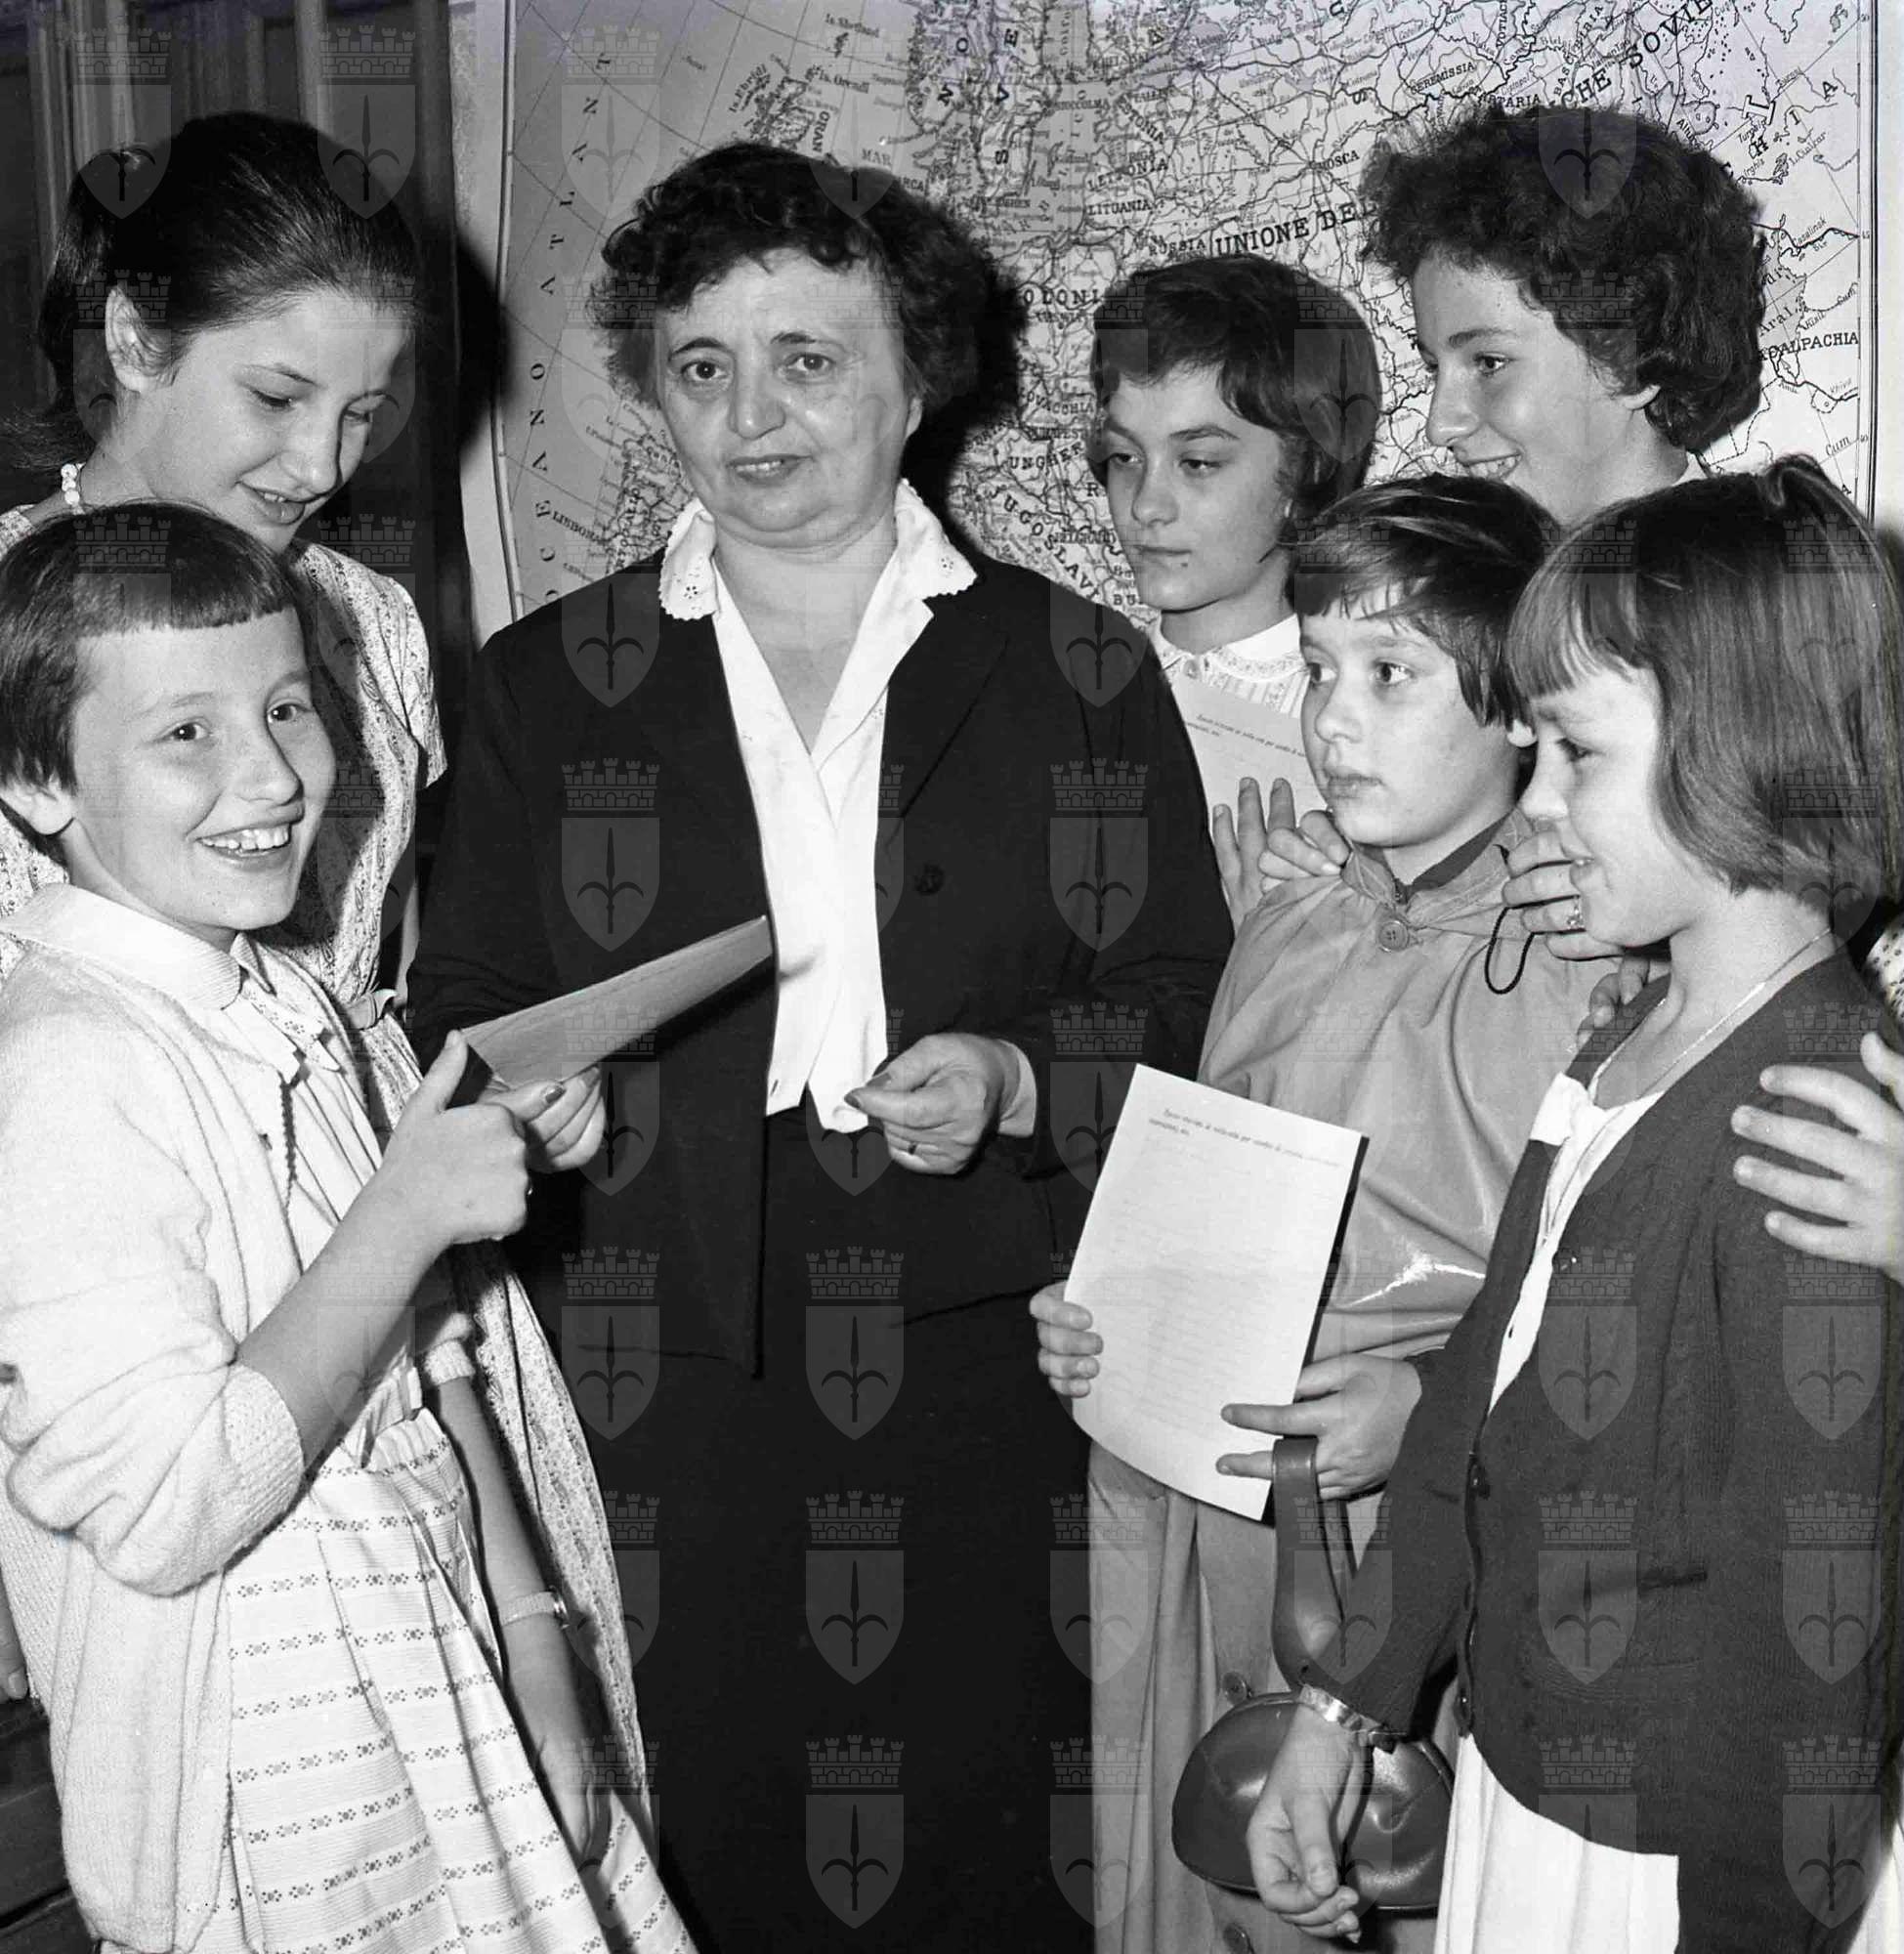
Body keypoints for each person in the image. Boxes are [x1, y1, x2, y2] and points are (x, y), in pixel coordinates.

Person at [404, 142, 1233, 1949]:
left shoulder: (1075, 668)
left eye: (808, 360)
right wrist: (523, 1091)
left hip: (988, 1338)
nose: (751, 416)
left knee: (986, 1841)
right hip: (648, 1341)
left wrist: (1020, 1079)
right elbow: (456, 995)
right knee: (709, 1831)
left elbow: (1184, 992)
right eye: (702, 366)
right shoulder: (546, 683)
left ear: (913, 380)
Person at [0, 112, 641, 1865]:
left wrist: (489, 1093)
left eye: (365, 411)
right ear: (135, 336)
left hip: (411, 1334)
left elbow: (365, 1005)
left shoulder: (366, 624)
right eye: (278, 396)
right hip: (114, 1390)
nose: (321, 461)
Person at [0, 507, 694, 1953]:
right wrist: (403, 1212)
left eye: (287, 707)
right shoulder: (62, 1064)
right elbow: (169, 1508)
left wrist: (532, 1627)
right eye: (185, 733)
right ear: (34, 779)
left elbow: (427, 1362)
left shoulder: (279, 994)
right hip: (269, 1812)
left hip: (436, 1710)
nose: (270, 774)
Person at [1247, 461, 1904, 1954]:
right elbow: (1471, 1411)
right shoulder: (1622, 1037)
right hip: (1531, 1777)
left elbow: (1810, 1645)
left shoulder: (1818, 1134)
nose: (1537, 801)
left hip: (1686, 1867)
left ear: (1743, 753)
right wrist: (1348, 1702)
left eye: (1577, 753)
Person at [1033, 475, 1592, 1953]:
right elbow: (1212, 1188)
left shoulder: (1588, 955)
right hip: (1200, 1518)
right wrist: (1107, 1315)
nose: (1332, 719)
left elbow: (1625, 1301)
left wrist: (1427, 1401)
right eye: (1319, 669)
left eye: (1391, 674)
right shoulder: (1286, 912)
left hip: (1427, 1542)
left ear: (1521, 706)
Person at [1249, 97, 1904, 1301]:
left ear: (1634, 355)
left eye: (1488, 362)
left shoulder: (1758, 613)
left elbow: (1812, 894)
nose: (1442, 420)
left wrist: (1645, 931)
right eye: (1436, 365)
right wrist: (1350, 881)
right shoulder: (1458, 595)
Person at [1084, 256, 1379, 924]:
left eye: (1197, 463)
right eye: (1126, 456)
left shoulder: (1363, 719)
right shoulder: (1068, 690)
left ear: (1304, 471)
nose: (1145, 505)